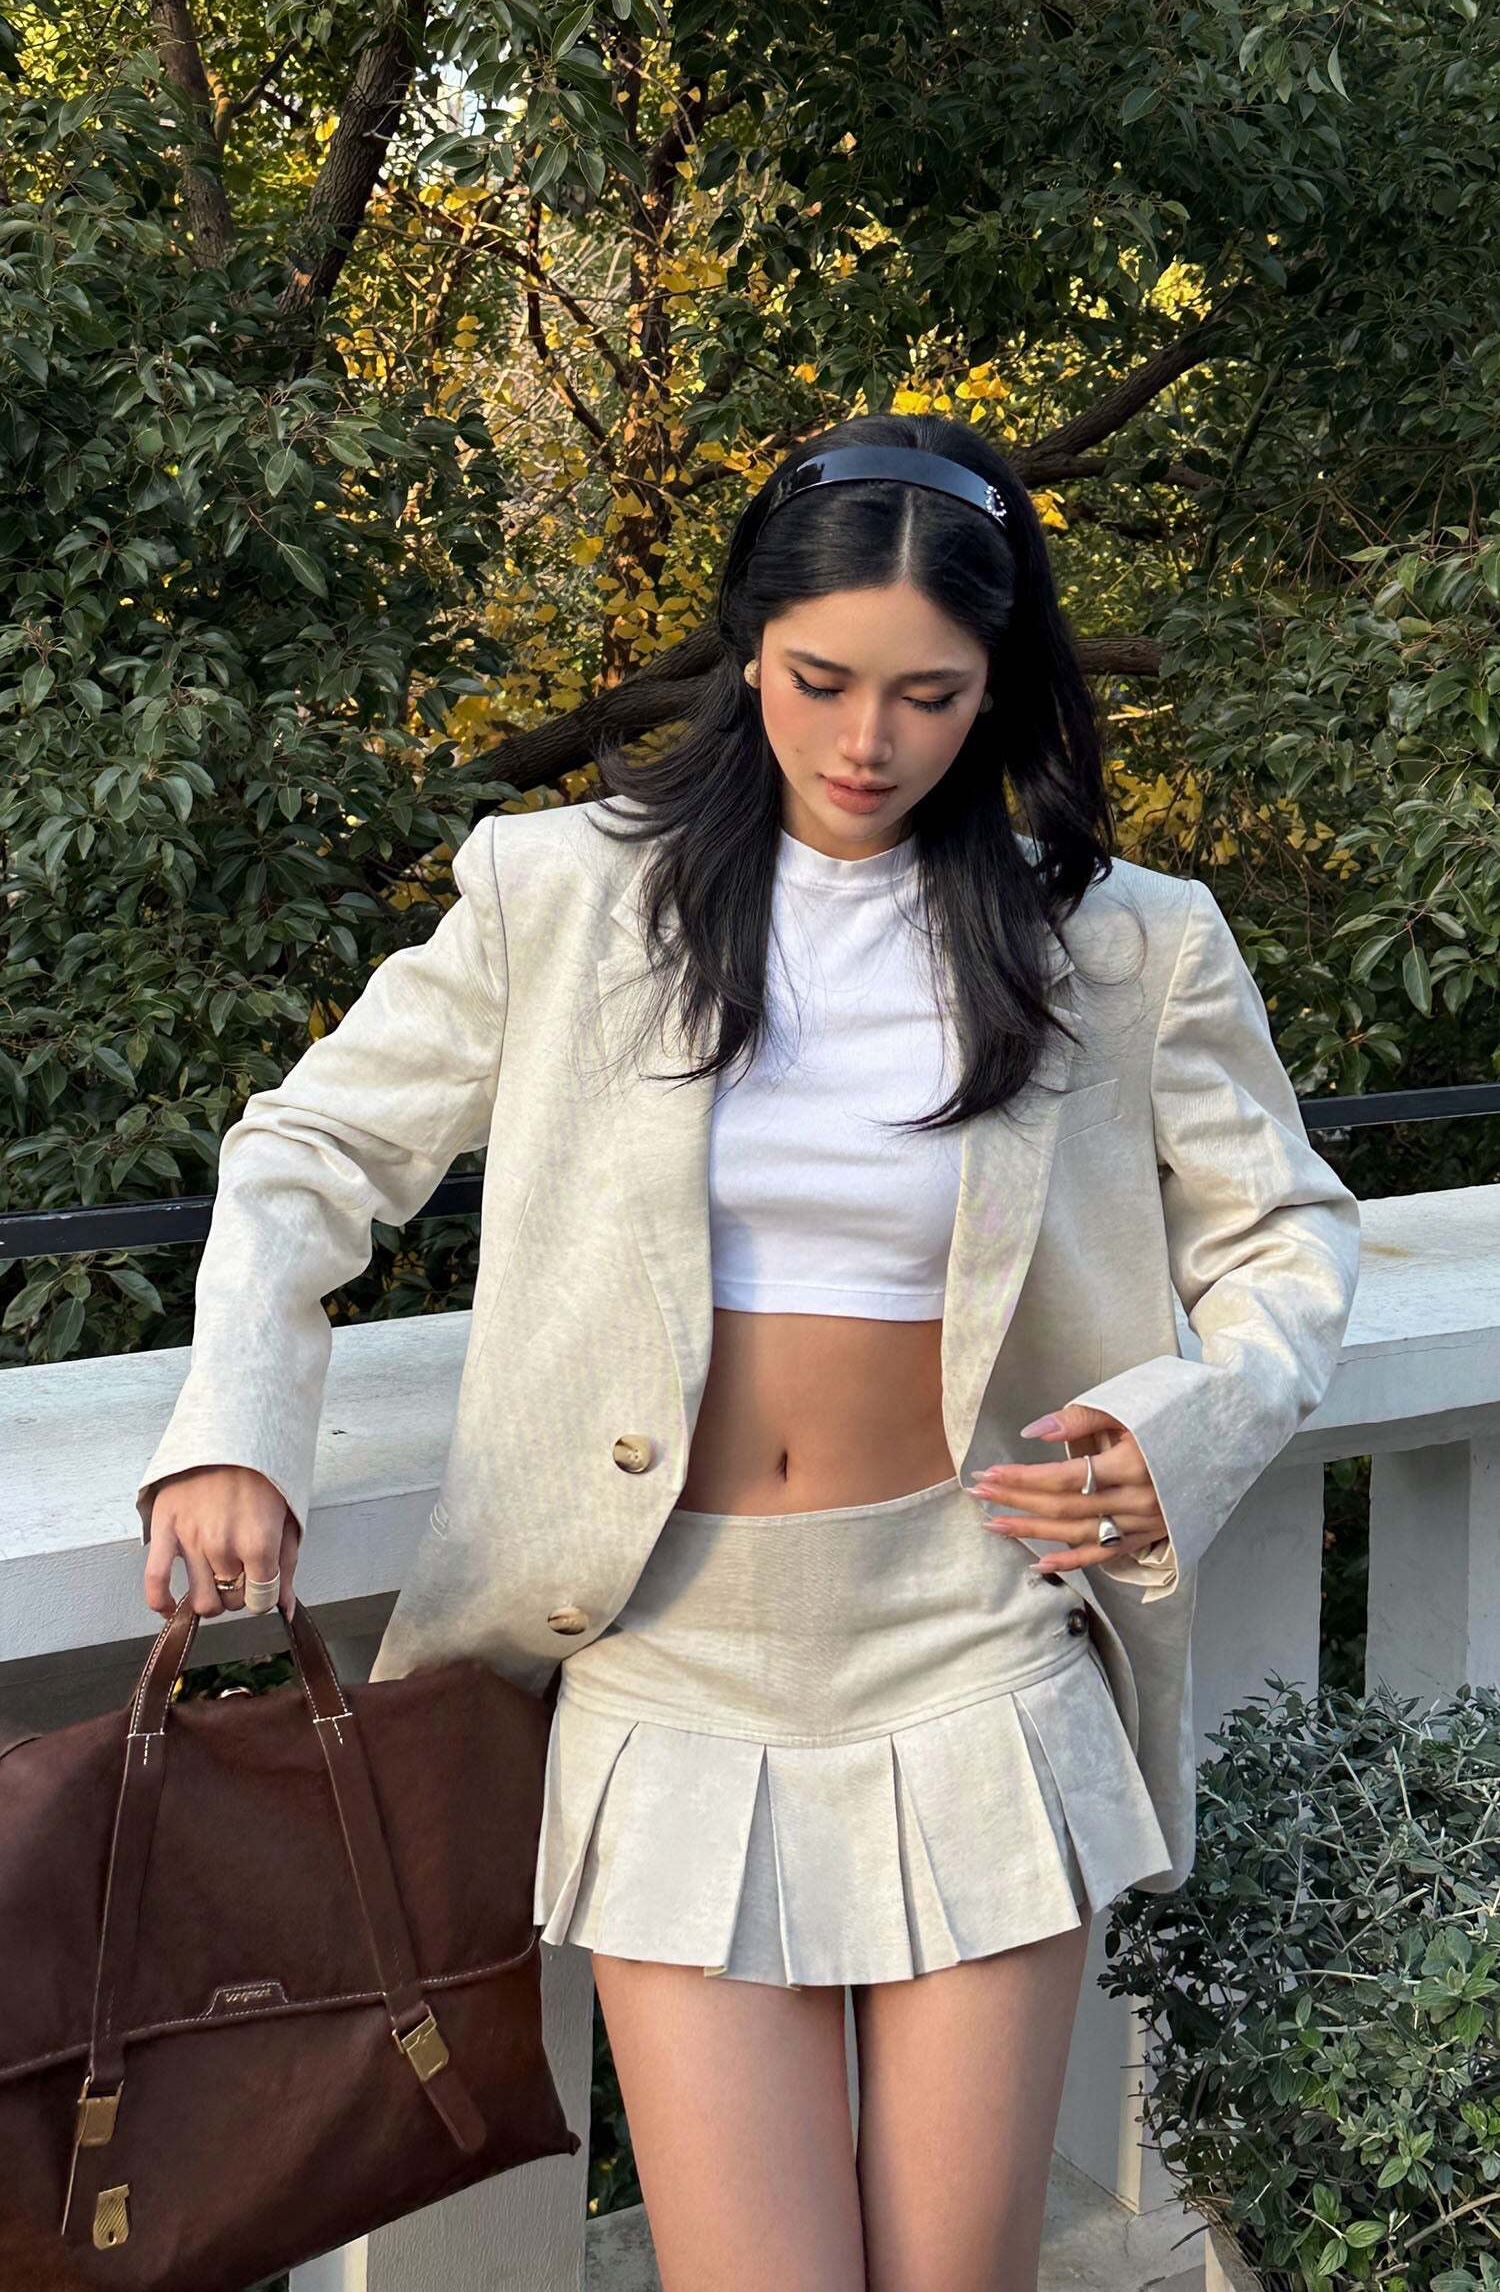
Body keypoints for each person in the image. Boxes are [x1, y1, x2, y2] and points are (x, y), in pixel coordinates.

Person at [135, 413, 1361, 2292]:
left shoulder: (1120, 942)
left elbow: (1287, 1232)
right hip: (668, 1654)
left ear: (996, 685)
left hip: (975, 1631)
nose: (869, 741)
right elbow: (310, 1150)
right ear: (749, 649)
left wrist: (1175, 1427)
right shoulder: (565, 891)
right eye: (820, 680)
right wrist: (235, 1426)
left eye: (930, 696)